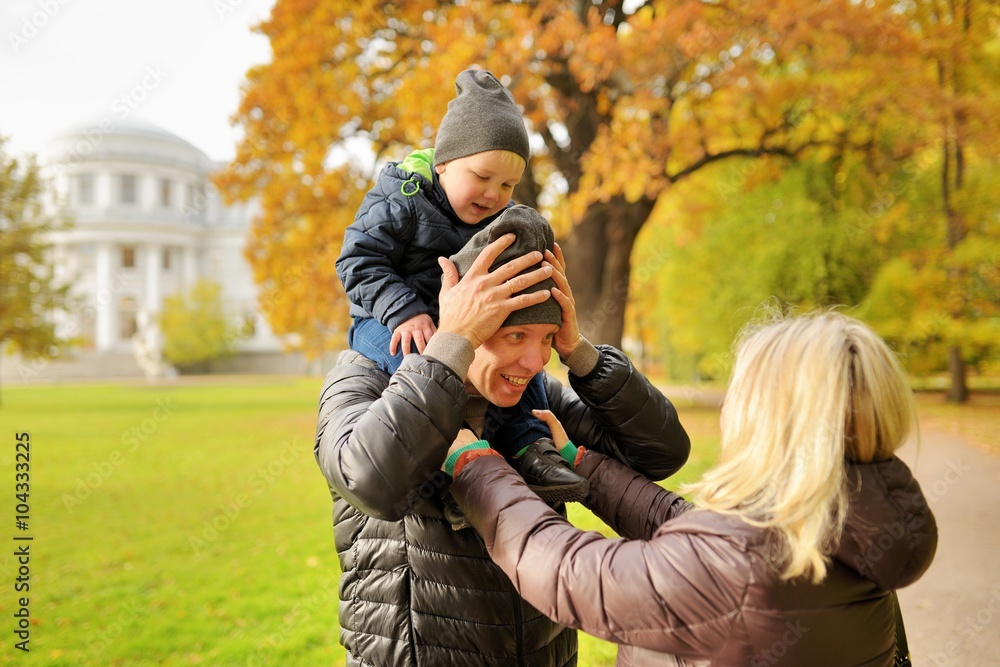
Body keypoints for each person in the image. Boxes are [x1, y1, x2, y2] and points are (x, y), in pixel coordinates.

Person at [449, 311, 939, 666]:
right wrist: (586, 467)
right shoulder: (853, 522)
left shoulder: (736, 571)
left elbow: (568, 571)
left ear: (773, 419)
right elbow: (697, 533)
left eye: (740, 391)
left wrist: (478, 467)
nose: (728, 407)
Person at [314, 207, 691, 666]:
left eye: (547, 337)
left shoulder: (535, 396)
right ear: (467, 321)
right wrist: (450, 344)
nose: (535, 361)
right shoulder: (364, 380)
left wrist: (581, 354)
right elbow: (372, 483)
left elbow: (662, 453)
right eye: (515, 335)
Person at [334, 67, 574, 498]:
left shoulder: (497, 217)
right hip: (386, 319)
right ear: (443, 162)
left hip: (457, 321)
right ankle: (455, 451)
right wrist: (404, 311)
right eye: (481, 177)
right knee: (421, 358)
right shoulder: (402, 197)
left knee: (526, 355)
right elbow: (358, 260)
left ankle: (529, 445)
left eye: (507, 184)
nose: (493, 194)